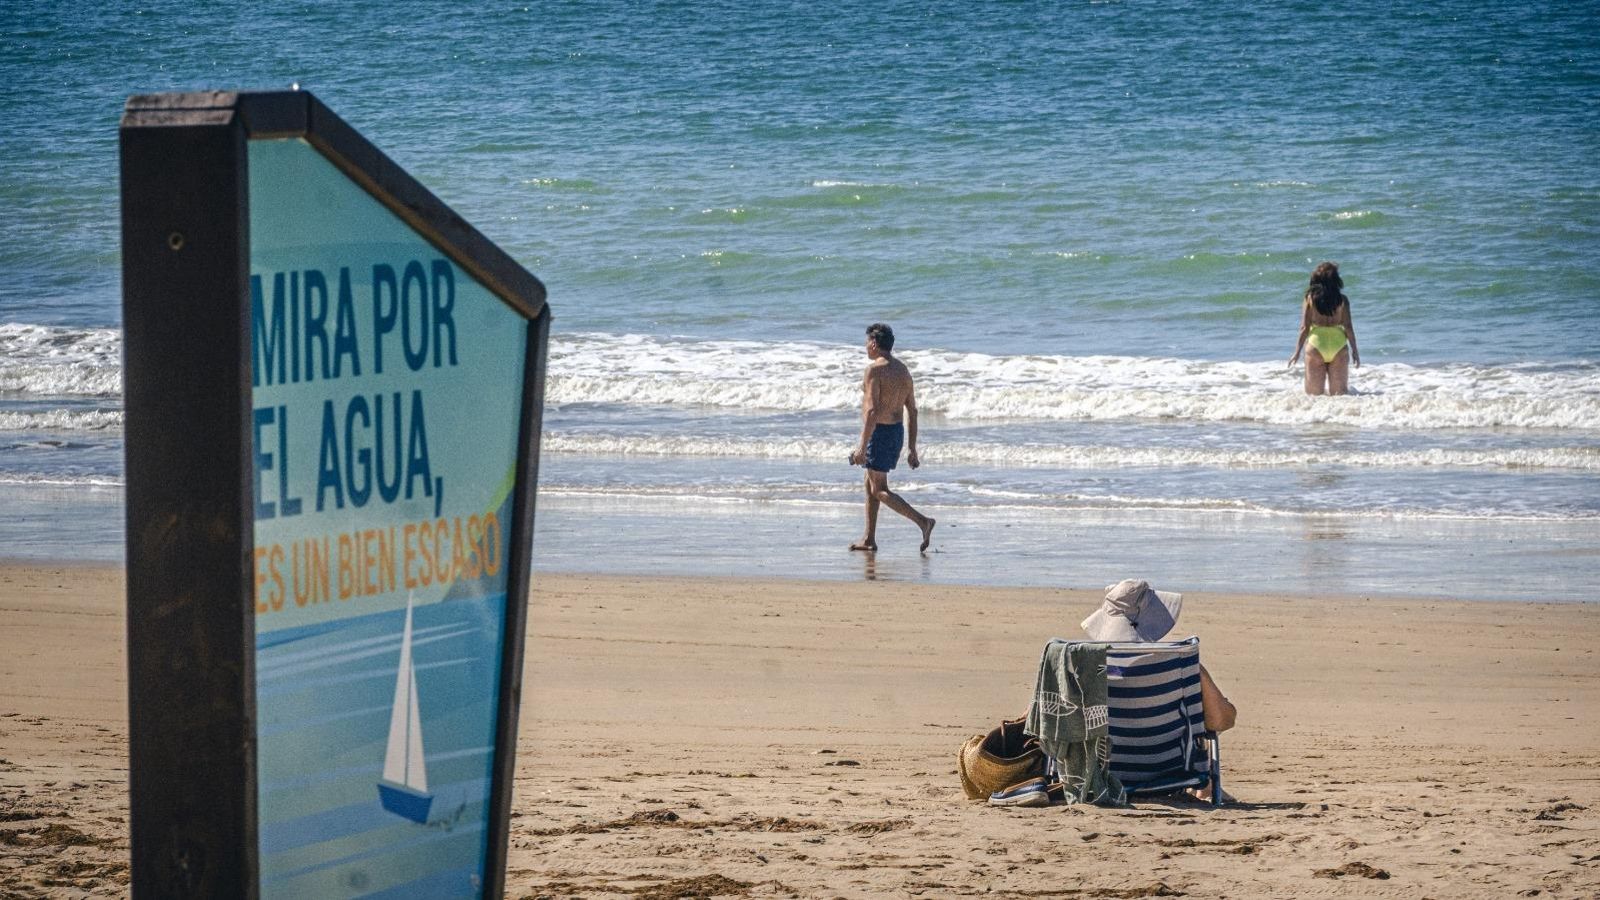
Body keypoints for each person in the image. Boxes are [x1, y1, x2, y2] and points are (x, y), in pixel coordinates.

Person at [1081, 579, 1236, 801]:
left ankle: (1206, 788)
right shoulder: (1181, 664)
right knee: (1202, 716)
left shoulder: (1084, 668)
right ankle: (1206, 788)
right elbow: (1221, 720)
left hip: (1098, 774)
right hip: (1170, 773)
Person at [848, 323, 936, 553]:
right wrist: (912, 449)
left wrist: (861, 448)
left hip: (880, 433)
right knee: (870, 484)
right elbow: (913, 411)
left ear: (874, 344)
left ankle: (923, 522)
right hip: (896, 432)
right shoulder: (903, 370)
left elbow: (871, 412)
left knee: (879, 489)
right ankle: (869, 539)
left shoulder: (874, 371)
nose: (866, 346)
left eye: (867, 342)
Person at [1288, 261, 1360, 395]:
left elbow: (1304, 327)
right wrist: (1355, 350)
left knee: (1313, 397)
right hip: (1338, 347)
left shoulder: (1309, 299)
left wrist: (1297, 351)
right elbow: (1348, 327)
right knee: (1340, 396)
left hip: (1316, 346)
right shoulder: (1343, 300)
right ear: (1336, 280)